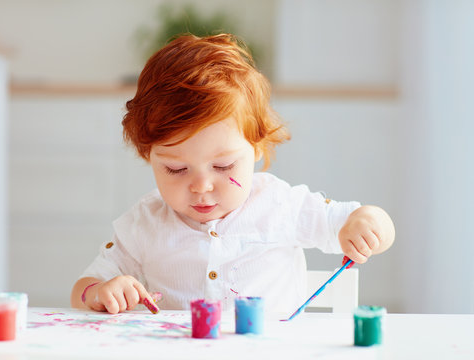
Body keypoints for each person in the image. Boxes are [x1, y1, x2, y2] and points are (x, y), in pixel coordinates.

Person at [70, 33, 395, 315]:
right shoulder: (144, 225)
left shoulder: (281, 206)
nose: (201, 185)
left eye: (224, 167)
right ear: (148, 155)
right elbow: (83, 289)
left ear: (256, 147)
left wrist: (368, 224)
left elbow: (360, 221)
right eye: (176, 169)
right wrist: (100, 293)